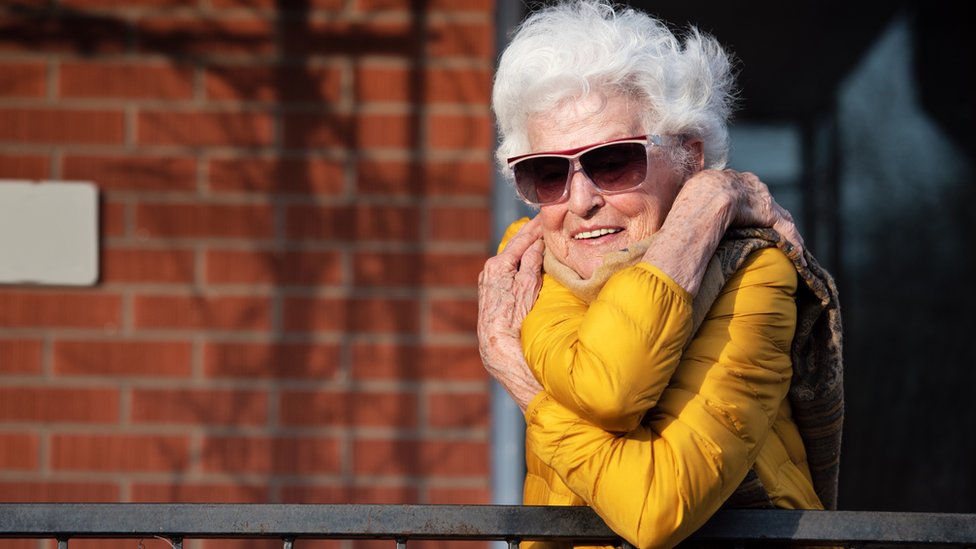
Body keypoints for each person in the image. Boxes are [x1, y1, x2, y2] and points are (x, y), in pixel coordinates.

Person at [477, 1, 844, 548]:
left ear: (689, 158)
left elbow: (654, 503)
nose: (580, 201)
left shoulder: (756, 271)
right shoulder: (529, 268)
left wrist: (519, 375)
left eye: (614, 162)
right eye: (548, 172)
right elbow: (611, 387)